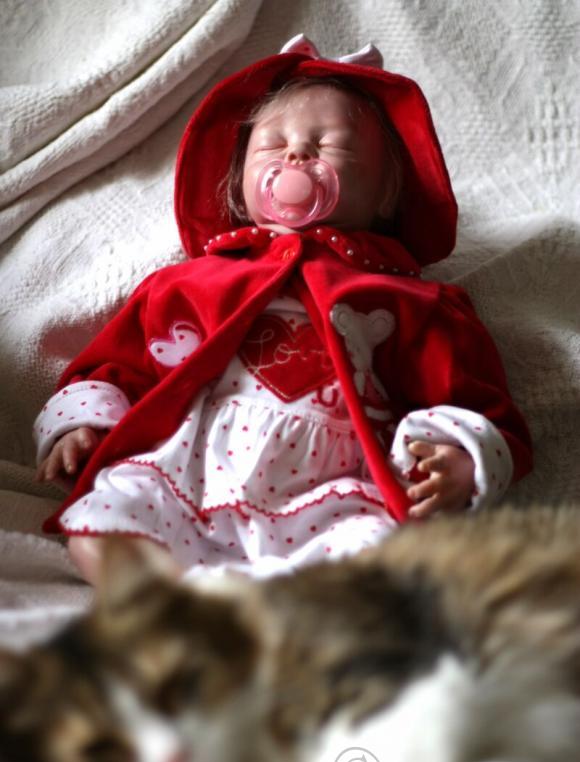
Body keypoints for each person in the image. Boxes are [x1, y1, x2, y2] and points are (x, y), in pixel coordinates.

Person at [34, 35, 533, 585]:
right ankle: (179, 599)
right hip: (189, 470)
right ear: (237, 185)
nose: (296, 156)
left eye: (329, 145)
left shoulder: (410, 301)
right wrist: (82, 423)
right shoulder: (188, 282)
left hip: (336, 494)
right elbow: (117, 361)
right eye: (272, 144)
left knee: (382, 557)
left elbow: (470, 397)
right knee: (106, 523)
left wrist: (461, 459)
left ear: (388, 192)